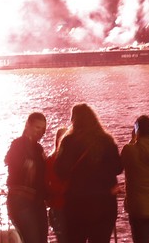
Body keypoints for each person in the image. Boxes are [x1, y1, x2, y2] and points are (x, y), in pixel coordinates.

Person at [52, 104, 122, 243]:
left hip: (77, 203)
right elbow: (118, 168)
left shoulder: (68, 141)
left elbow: (60, 170)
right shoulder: (107, 140)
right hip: (104, 202)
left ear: (74, 120)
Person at [3, 113, 48, 243]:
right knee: (32, 239)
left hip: (37, 200)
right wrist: (28, 164)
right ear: (28, 125)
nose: (40, 132)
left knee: (41, 239)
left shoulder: (38, 148)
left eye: (43, 129)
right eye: (37, 127)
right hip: (22, 200)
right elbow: (10, 161)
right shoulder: (17, 144)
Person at [45, 127, 70, 243]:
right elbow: (50, 185)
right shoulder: (51, 161)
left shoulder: (53, 160)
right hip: (59, 207)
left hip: (68, 206)